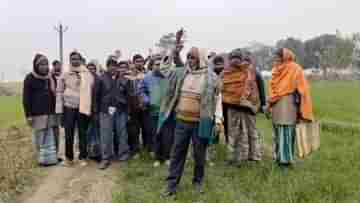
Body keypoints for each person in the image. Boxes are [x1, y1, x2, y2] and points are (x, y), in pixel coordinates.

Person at [160, 47, 222, 196]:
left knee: (199, 154)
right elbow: (164, 69)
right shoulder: (182, 73)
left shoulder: (212, 77)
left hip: (201, 122)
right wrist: (174, 50)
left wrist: (219, 119)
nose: (189, 60)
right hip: (181, 121)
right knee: (177, 153)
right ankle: (171, 185)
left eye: (192, 57)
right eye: (188, 57)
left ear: (200, 58)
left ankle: (198, 182)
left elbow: (218, 98)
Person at [267, 48, 314, 166]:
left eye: (278, 56)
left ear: (284, 56)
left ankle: (282, 159)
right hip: (284, 104)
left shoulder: (287, 69)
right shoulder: (290, 68)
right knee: (284, 131)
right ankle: (284, 159)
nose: (276, 59)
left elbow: (301, 89)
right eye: (276, 56)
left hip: (283, 103)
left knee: (283, 131)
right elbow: (303, 89)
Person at [222, 48, 262, 167]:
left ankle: (253, 156)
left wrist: (260, 104)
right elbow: (222, 90)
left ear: (241, 59)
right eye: (232, 58)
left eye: (237, 58)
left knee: (250, 133)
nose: (234, 60)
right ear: (229, 60)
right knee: (234, 134)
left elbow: (257, 88)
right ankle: (234, 158)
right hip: (232, 108)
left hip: (248, 108)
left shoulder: (250, 72)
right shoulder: (226, 73)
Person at [56, 51, 94, 167]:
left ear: (81, 60)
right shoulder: (65, 74)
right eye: (72, 59)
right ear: (70, 60)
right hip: (69, 107)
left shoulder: (87, 74)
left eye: (77, 59)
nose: (75, 61)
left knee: (82, 133)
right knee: (69, 134)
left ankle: (82, 157)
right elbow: (59, 91)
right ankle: (69, 158)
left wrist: (90, 108)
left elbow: (91, 90)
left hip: (82, 107)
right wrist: (59, 110)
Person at [23, 54, 58, 166]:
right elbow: (26, 98)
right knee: (40, 138)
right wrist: (28, 115)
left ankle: (52, 159)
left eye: (46, 64)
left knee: (52, 136)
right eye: (41, 64)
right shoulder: (30, 78)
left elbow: (55, 94)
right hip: (37, 114)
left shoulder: (50, 78)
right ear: (36, 66)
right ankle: (41, 160)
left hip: (51, 113)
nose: (44, 66)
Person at [97, 57, 131, 170]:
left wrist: (127, 112)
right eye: (110, 65)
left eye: (115, 65)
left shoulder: (124, 79)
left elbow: (128, 96)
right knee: (105, 135)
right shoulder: (101, 79)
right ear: (107, 66)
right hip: (105, 111)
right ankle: (105, 158)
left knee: (122, 133)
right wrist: (95, 112)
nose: (113, 67)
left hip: (120, 111)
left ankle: (123, 156)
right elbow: (95, 96)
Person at [142, 54, 176, 167]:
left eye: (160, 64)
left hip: (167, 112)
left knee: (167, 135)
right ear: (152, 66)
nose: (159, 66)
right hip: (154, 112)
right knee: (156, 135)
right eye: (156, 64)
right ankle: (157, 158)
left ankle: (167, 157)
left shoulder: (169, 76)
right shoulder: (147, 78)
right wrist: (147, 100)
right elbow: (141, 91)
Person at [127, 54, 151, 157]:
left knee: (147, 129)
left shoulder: (148, 74)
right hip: (134, 108)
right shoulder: (129, 75)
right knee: (134, 131)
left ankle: (147, 148)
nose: (139, 63)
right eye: (137, 61)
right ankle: (135, 151)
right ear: (133, 63)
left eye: (141, 61)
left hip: (146, 107)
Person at [86, 61, 101, 161]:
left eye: (93, 68)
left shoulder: (99, 80)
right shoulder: (84, 80)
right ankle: (88, 152)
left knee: (96, 132)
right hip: (85, 110)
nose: (91, 70)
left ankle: (96, 153)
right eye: (89, 69)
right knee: (88, 132)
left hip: (96, 110)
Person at [51, 60, 63, 161]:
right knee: (53, 130)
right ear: (53, 66)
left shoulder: (62, 75)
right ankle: (53, 152)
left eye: (60, 65)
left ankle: (58, 153)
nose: (59, 67)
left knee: (58, 130)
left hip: (59, 107)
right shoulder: (49, 77)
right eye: (57, 65)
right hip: (51, 108)